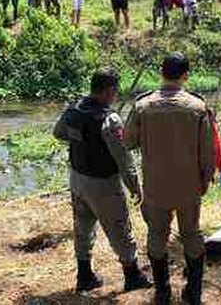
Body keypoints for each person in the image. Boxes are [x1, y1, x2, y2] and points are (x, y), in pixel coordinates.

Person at [125, 53, 216, 305]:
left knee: (156, 233)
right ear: (186, 75)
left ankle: (162, 291)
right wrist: (206, 179)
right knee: (191, 233)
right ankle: (194, 292)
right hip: (189, 185)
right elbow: (207, 152)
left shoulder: (143, 106)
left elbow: (128, 141)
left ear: (161, 72)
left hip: (155, 184)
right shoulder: (197, 107)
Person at [53, 69, 151, 293]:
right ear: (108, 91)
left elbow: (58, 133)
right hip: (103, 183)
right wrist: (135, 187)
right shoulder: (110, 119)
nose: (116, 95)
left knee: (82, 227)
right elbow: (123, 158)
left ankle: (84, 275)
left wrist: (81, 140)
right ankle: (132, 275)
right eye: (115, 90)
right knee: (119, 227)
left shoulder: (74, 109)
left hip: (78, 178)